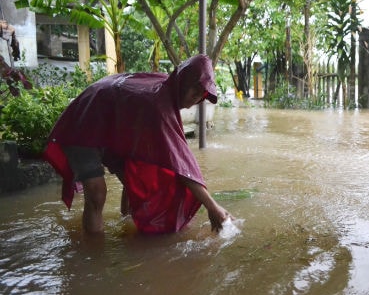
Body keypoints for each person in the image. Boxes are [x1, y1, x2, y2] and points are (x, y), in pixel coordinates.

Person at [43, 54, 232, 234]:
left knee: (137, 180)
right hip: (84, 123)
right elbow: (181, 166)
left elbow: (146, 159)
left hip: (112, 127)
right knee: (96, 194)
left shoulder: (165, 92)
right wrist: (212, 206)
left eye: (202, 95)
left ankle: (126, 221)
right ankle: (94, 255)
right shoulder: (158, 105)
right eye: (195, 91)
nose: (196, 99)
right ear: (181, 81)